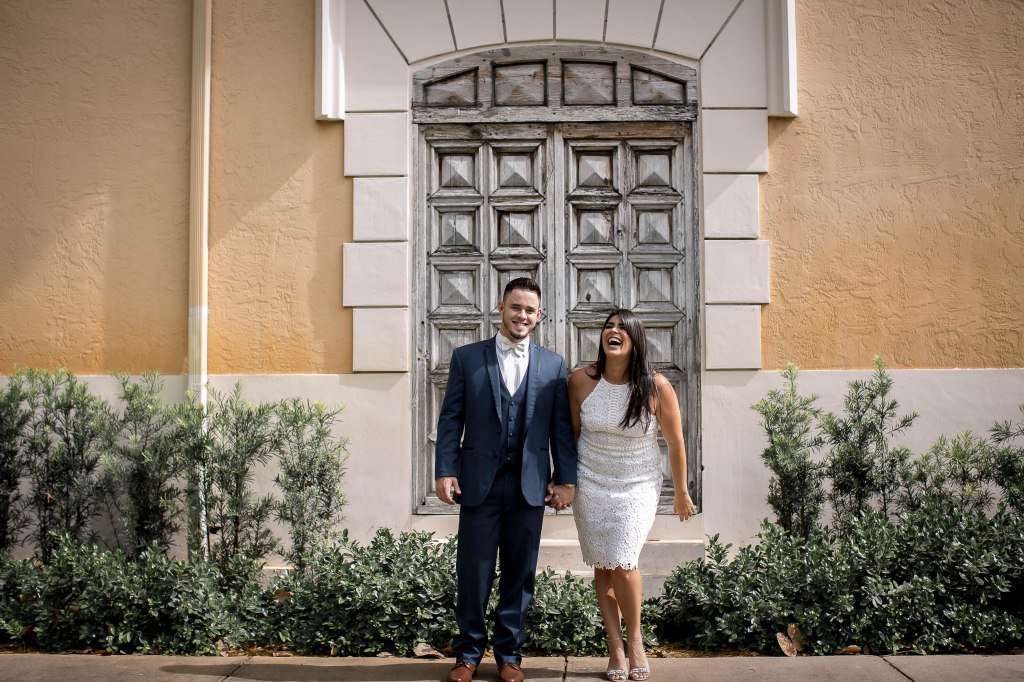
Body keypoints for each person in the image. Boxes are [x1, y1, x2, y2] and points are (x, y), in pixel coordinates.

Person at [434, 277, 578, 682]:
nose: (522, 316)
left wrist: (566, 481)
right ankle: (467, 655)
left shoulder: (553, 365)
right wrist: (444, 470)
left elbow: (561, 428)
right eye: (516, 307)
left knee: (520, 574)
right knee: (473, 573)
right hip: (478, 484)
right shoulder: (467, 358)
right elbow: (451, 419)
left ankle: (509, 655)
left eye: (530, 310)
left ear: (539, 315)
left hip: (529, 486)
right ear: (501, 308)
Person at [555, 308, 696, 682]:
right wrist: (566, 482)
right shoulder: (580, 381)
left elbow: (675, 442)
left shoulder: (656, 386)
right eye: (609, 326)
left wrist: (680, 491)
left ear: (636, 340)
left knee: (623, 560)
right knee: (604, 564)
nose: (613, 331)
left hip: (637, 483)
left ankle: (635, 641)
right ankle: (615, 646)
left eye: (622, 327)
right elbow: (570, 437)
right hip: (591, 480)